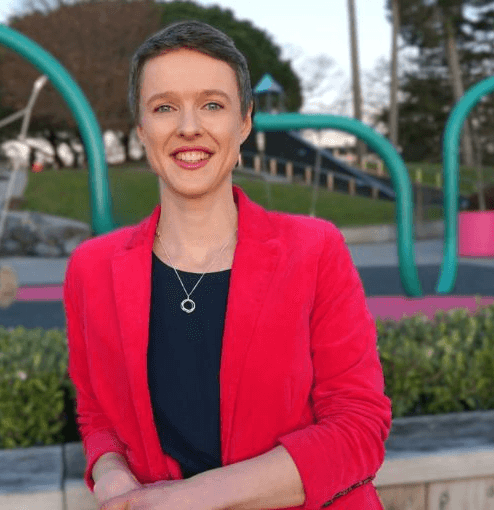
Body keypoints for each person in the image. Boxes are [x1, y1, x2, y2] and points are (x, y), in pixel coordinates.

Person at [63, 20, 392, 510]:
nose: (188, 126)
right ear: (141, 129)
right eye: (164, 107)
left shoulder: (315, 249)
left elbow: (358, 428)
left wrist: (192, 499)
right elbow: (97, 414)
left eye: (212, 105)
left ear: (243, 123)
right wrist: (109, 474)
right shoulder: (90, 268)